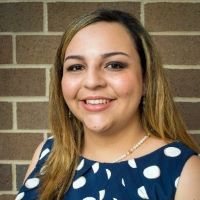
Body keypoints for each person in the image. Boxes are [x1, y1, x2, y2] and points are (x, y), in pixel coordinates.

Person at [16, 9, 200, 200]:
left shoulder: (187, 172)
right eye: (76, 67)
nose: (92, 82)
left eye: (114, 65)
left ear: (146, 79)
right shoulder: (48, 152)